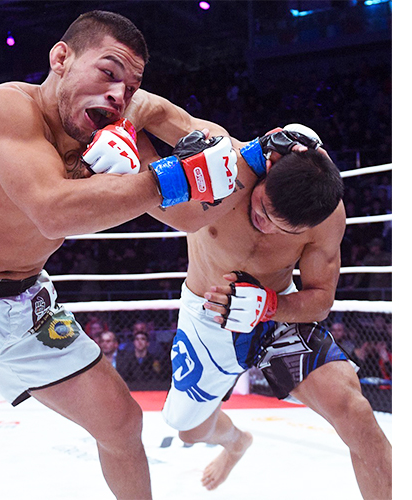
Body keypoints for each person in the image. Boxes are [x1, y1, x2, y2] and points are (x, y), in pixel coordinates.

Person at [0, 10, 240, 499]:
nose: (118, 94)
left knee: (122, 423)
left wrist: (250, 160)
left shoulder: (114, 125)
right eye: (108, 72)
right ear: (61, 58)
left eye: (131, 87)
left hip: (26, 303)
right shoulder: (4, 107)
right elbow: (52, 212)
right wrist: (170, 177)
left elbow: (189, 216)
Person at [137, 126, 392, 498]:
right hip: (206, 318)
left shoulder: (324, 216)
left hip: (276, 316)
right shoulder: (227, 163)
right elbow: (154, 112)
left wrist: (270, 306)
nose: (266, 225)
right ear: (270, 167)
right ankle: (235, 442)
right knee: (187, 428)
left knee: (356, 414)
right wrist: (124, 124)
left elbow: (321, 300)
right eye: (263, 209)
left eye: (282, 226)